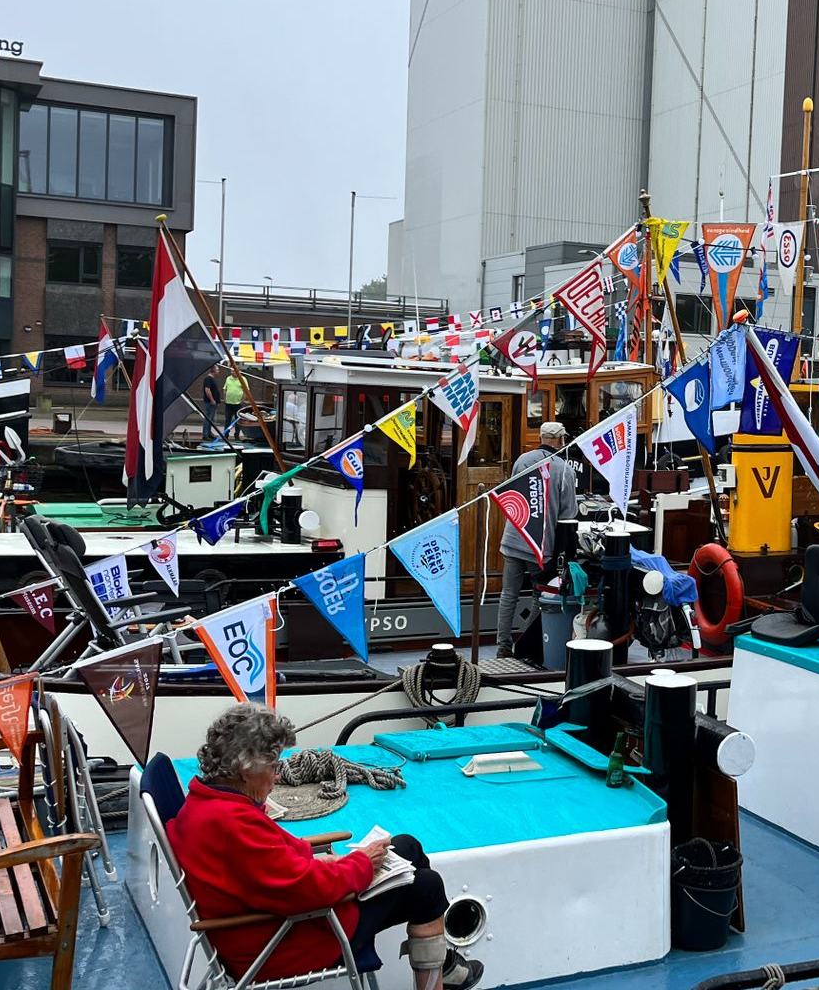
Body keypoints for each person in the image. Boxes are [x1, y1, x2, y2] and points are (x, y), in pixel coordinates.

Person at [168, 704, 483, 989]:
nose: (277, 777)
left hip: (270, 923)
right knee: (426, 886)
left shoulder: (203, 803)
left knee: (406, 846)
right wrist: (359, 864)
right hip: (286, 942)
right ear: (245, 768)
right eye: (274, 766)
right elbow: (304, 891)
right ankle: (441, 974)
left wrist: (331, 863)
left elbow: (268, 866)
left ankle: (443, 964)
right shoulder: (234, 824)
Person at [496, 421, 579, 659]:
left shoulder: (522, 461)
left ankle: (503, 646)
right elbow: (568, 515)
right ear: (561, 440)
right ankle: (525, 643)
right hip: (539, 546)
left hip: (513, 539)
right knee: (539, 595)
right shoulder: (564, 469)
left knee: (508, 594)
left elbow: (514, 496)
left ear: (541, 438)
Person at [201, 372, 221, 442]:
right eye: (217, 370)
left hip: (213, 403)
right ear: (214, 371)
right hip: (210, 403)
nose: (218, 371)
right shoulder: (208, 379)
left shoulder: (212, 379)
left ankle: (209, 433)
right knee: (208, 419)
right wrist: (212, 400)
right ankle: (205, 435)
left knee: (211, 419)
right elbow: (207, 390)